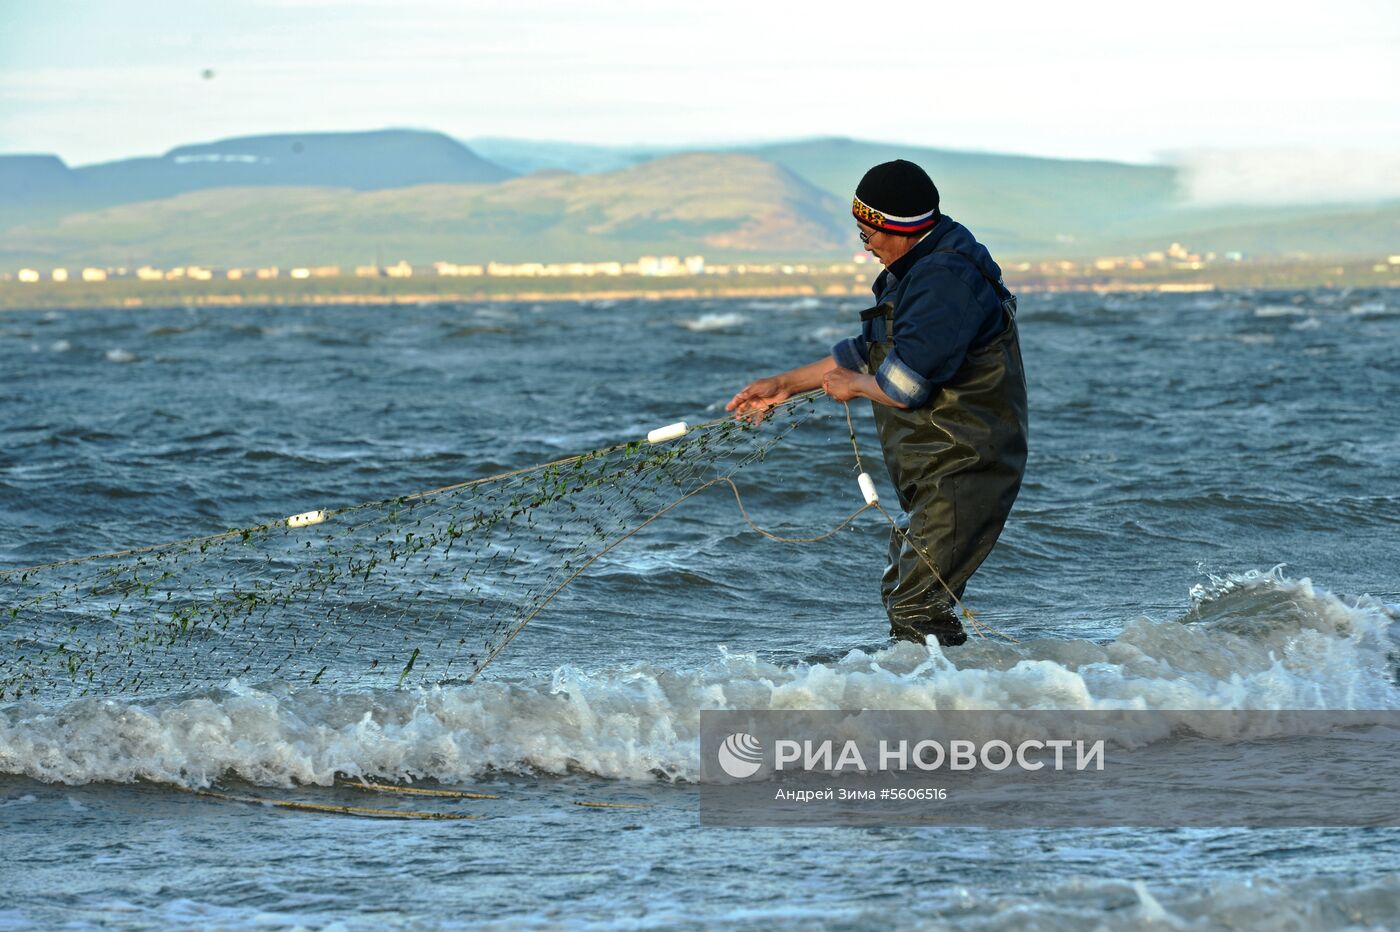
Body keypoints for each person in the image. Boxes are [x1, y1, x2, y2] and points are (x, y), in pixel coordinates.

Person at [727, 159, 1028, 646]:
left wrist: (854, 386)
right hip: (936, 468)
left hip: (965, 467)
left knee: (915, 605)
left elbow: (904, 388)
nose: (865, 246)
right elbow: (873, 350)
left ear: (901, 229)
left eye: (868, 234)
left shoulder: (943, 280)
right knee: (904, 594)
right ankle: (951, 685)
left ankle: (946, 692)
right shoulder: (915, 267)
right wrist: (785, 384)